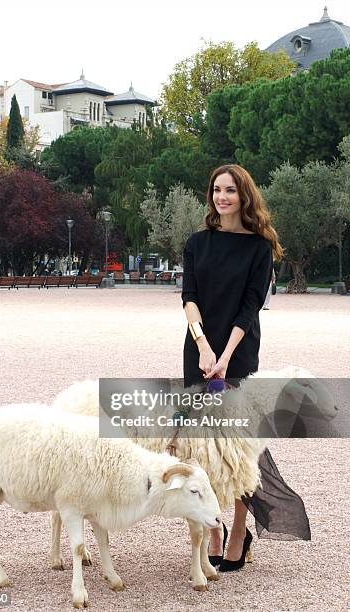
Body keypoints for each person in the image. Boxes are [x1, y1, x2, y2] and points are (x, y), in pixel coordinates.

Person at [182, 164, 310, 572]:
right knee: (202, 445)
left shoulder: (259, 247)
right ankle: (213, 527)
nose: (222, 197)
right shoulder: (196, 243)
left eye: (230, 191)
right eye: (217, 190)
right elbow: (189, 298)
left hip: (238, 351)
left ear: (244, 196)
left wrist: (224, 357)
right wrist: (203, 346)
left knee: (235, 446)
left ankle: (240, 529)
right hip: (198, 351)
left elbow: (250, 306)